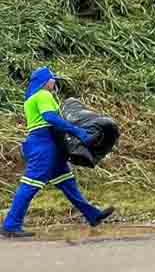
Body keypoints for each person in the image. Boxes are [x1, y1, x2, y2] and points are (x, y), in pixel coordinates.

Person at [3, 67, 114, 238]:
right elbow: (51, 118)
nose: (54, 81)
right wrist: (78, 132)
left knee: (68, 183)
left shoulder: (32, 97)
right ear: (45, 81)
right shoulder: (43, 95)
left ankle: (93, 215)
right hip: (43, 145)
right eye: (52, 79)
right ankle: (11, 225)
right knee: (29, 185)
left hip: (50, 144)